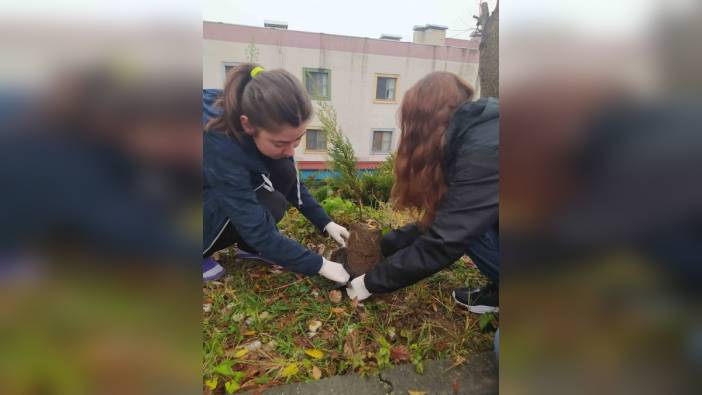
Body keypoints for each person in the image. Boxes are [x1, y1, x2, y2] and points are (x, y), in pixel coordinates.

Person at [345, 71, 499, 314]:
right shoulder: (476, 133)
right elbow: (448, 221)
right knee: (474, 226)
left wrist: (370, 283)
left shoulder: (485, 150)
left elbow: (446, 241)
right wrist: (381, 247)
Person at [203, 63, 350, 283]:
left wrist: (325, 222)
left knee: (274, 196)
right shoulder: (221, 143)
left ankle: (248, 247)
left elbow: (290, 182)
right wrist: (319, 265)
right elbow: (253, 223)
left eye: (297, 139)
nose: (291, 150)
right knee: (230, 204)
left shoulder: (264, 118)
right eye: (281, 143)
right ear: (248, 125)